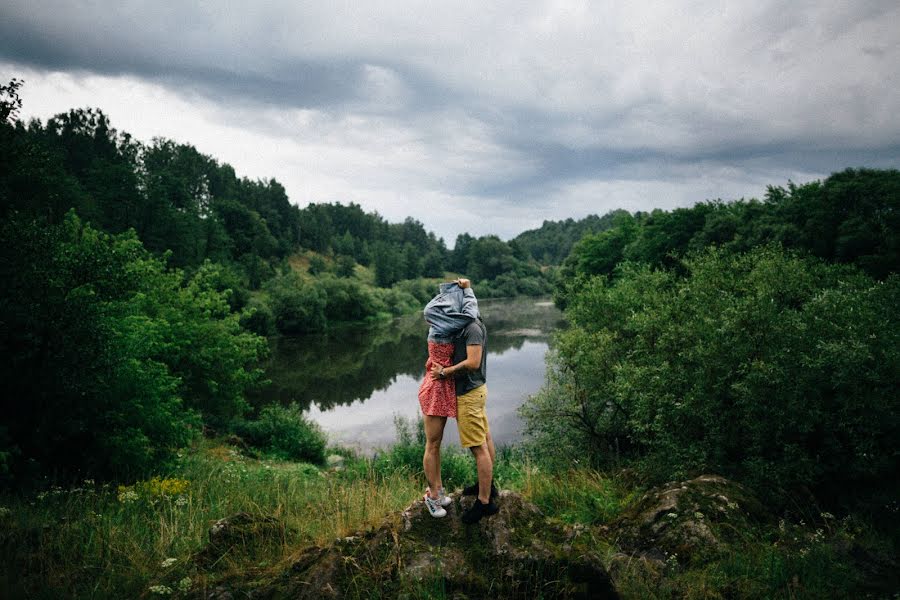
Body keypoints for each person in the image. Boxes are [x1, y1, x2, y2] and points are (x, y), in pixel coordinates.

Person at [431, 291, 498, 524]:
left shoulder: (472, 327)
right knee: (485, 439)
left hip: (469, 393)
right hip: (475, 391)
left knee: (478, 447)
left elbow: (473, 362)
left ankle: (484, 502)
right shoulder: (467, 323)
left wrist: (444, 372)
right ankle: (487, 486)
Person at [418, 278, 478, 518]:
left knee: (436, 444)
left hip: (443, 386)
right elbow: (472, 313)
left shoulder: (441, 320)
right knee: (432, 444)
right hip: (436, 389)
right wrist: (468, 289)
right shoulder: (447, 324)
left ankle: (439, 491)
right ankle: (432, 497)